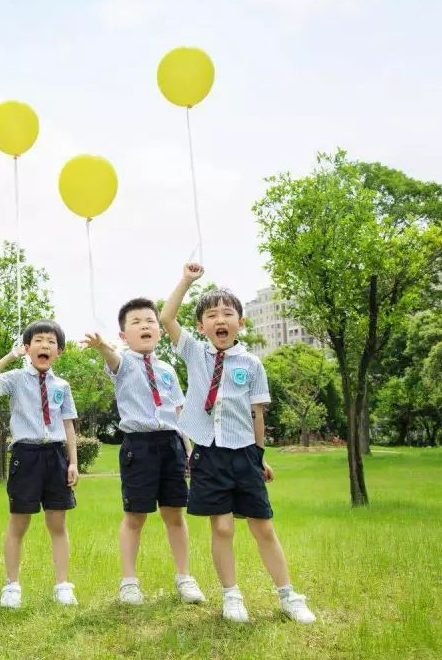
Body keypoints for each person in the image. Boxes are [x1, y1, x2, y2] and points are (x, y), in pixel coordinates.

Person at [161, 263, 315, 624]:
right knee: (223, 527)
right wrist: (186, 279)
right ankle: (231, 596)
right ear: (201, 326)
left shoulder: (251, 364)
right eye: (211, 315)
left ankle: (288, 595)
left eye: (228, 313)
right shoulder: (195, 353)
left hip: (244, 453)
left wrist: (260, 457)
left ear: (240, 323)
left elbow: (256, 415)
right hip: (209, 454)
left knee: (262, 526)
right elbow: (167, 317)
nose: (220, 319)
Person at [84, 297, 205, 606]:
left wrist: (188, 450)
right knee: (135, 515)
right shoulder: (123, 362)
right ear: (124, 335)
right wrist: (102, 346)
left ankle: (184, 577)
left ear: (160, 332)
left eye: (150, 321)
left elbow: (179, 412)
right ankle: (129, 582)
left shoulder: (167, 369)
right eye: (135, 323)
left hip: (171, 444)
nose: (145, 326)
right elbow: (112, 359)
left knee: (174, 514)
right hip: (139, 447)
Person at [0, 319, 79, 609]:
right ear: (28, 347)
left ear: (58, 351)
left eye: (50, 342)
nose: (44, 345)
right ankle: (12, 585)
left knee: (57, 523)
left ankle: (62, 584)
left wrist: (72, 463)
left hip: (56, 455)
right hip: (26, 455)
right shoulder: (16, 378)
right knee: (19, 521)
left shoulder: (62, 386)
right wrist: (10, 357)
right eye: (38, 341)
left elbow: (68, 426)